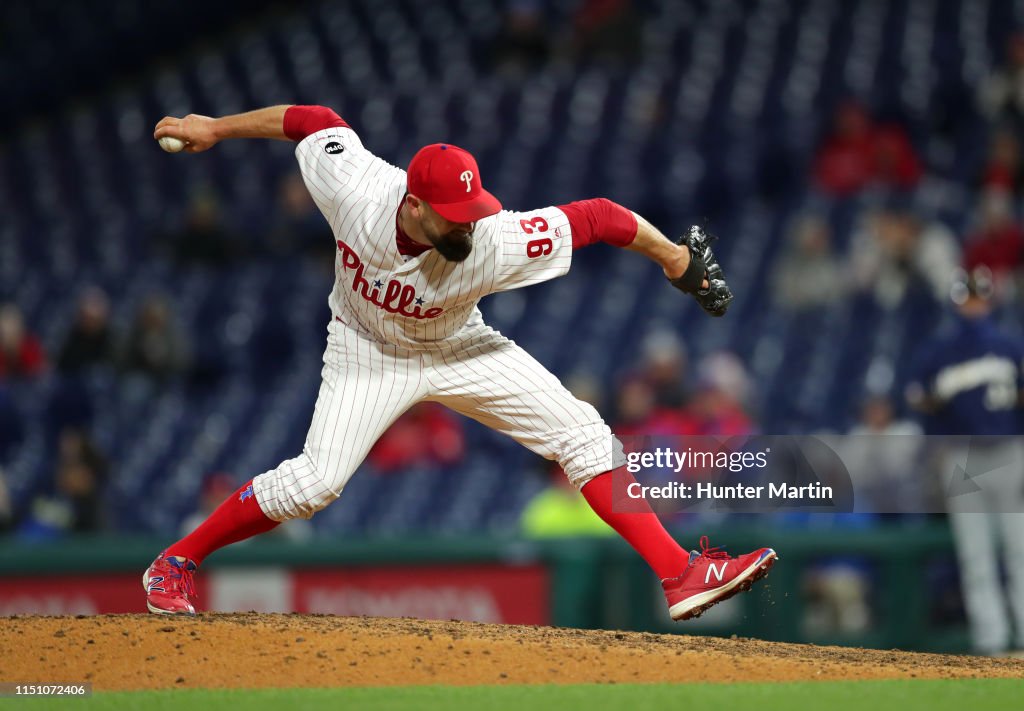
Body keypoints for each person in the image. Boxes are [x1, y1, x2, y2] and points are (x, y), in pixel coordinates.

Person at [142, 104, 774, 620]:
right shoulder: (355, 187)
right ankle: (176, 560)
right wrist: (215, 128)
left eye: (475, 209)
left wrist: (672, 258)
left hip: (459, 347)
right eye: (457, 214)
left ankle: (680, 573)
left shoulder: (488, 241)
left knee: (581, 433)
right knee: (316, 484)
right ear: (414, 203)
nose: (472, 223)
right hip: (366, 351)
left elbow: (600, 217)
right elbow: (313, 120)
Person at [906, 268, 1024, 655]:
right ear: (957, 302)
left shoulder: (1009, 346)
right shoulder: (941, 352)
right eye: (967, 297)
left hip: (1008, 452)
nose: (973, 304)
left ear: (989, 300)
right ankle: (991, 642)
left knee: (1019, 550)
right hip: (963, 455)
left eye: (978, 297)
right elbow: (921, 404)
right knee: (976, 557)